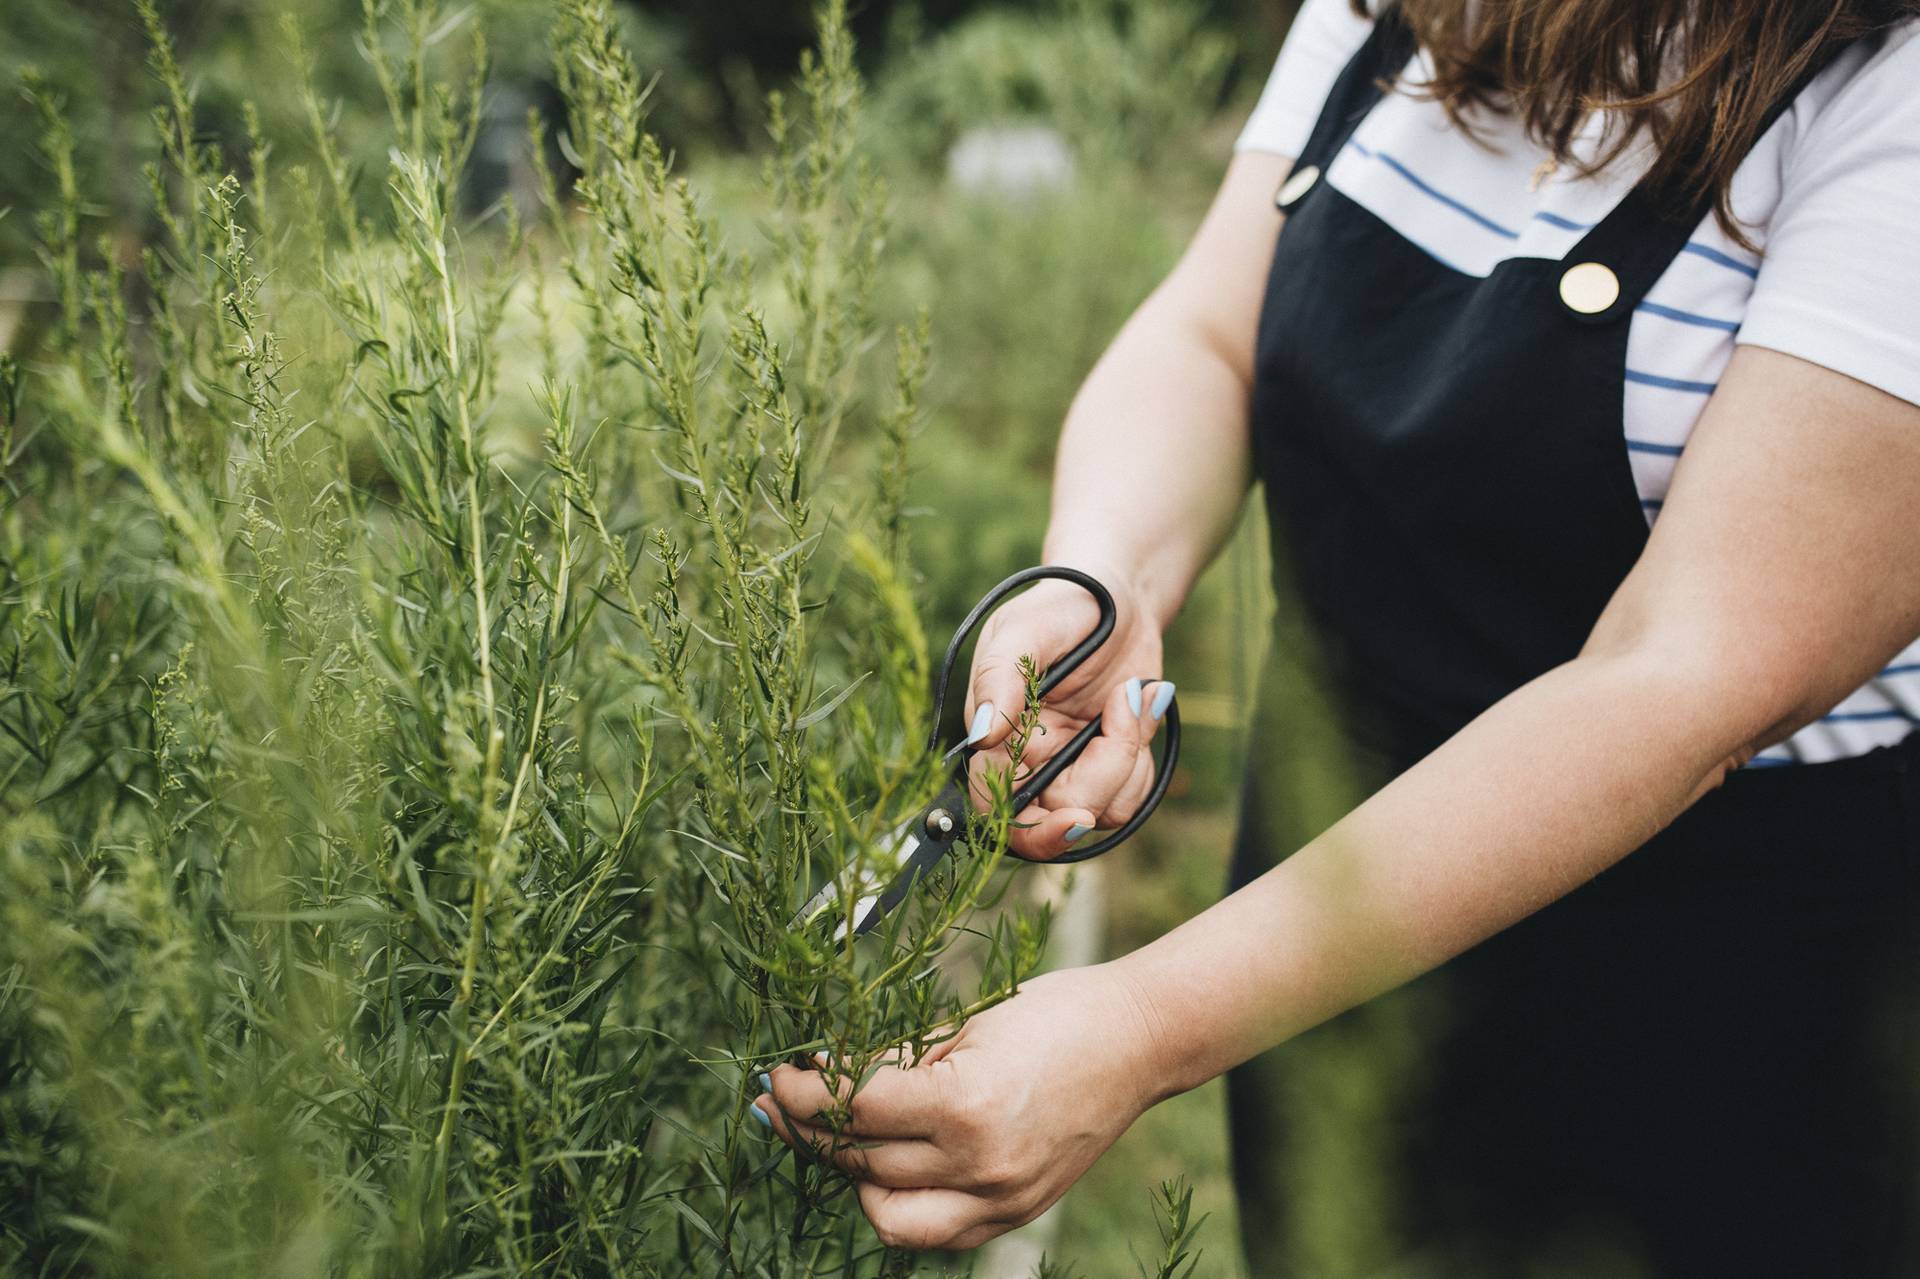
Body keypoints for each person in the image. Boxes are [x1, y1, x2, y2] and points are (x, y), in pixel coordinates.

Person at [756, 0, 1920, 1270]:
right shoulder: (1404, 12)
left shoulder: (1890, 94)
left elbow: (1683, 674)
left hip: (1715, 1018)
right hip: (1306, 948)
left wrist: (1144, 1021)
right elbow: (1209, 335)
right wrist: (1110, 576)